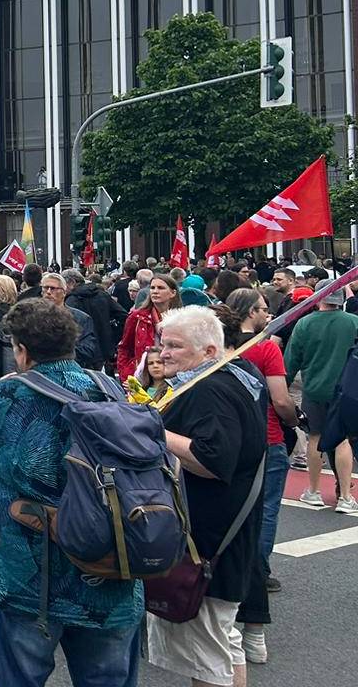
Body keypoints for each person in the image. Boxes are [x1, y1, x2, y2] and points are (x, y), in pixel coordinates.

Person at [0, 299, 144, 687]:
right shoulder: (111, 390)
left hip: (29, 572)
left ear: (21, 349)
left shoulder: (7, 396)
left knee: (20, 676)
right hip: (109, 562)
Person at [147, 306, 267, 687]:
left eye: (175, 346)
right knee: (223, 647)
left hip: (208, 542)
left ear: (210, 351)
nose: (164, 353)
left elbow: (213, 459)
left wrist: (150, 427)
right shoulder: (238, 375)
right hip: (229, 534)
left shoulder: (209, 389)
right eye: (163, 344)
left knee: (207, 660)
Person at [222, 289, 297, 662]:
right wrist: (293, 421)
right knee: (263, 514)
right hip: (266, 439)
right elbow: (281, 399)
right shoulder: (266, 349)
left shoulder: (223, 348)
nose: (268, 314)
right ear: (250, 312)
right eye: (264, 309)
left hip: (230, 443)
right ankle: (259, 571)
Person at [284, 278, 358, 512]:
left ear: (318, 298)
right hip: (348, 389)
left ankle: (314, 491)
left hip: (314, 388)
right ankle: (345, 496)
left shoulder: (304, 324)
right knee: (343, 439)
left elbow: (291, 360)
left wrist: (283, 383)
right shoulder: (354, 322)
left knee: (315, 437)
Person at [116, 274, 178, 379]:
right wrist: (126, 376)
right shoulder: (137, 317)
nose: (155, 291)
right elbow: (125, 348)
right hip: (142, 378)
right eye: (152, 288)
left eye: (161, 288)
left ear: (173, 293)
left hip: (174, 377)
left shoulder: (182, 318)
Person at [64, 268, 126, 371]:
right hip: (104, 348)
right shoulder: (102, 294)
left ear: (72, 283)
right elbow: (123, 316)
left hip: (82, 351)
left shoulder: (71, 301)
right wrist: (113, 336)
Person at [40, 273, 101, 370]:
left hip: (71, 372)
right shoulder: (32, 317)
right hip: (39, 374)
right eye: (45, 288)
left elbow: (88, 350)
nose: (48, 292)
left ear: (64, 292)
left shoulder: (81, 318)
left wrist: (56, 351)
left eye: (53, 288)